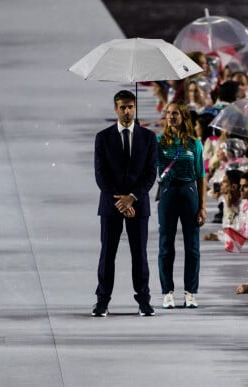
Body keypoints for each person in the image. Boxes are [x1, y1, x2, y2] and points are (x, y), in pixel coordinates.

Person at [92, 90, 157, 317]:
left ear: (135, 107)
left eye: (130, 107)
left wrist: (132, 197)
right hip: (111, 206)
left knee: (139, 254)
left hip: (138, 206)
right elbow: (101, 175)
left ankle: (144, 301)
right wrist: (120, 200)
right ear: (115, 109)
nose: (127, 111)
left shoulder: (148, 138)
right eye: (122, 107)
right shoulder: (103, 137)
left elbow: (150, 174)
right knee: (107, 254)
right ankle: (102, 301)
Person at [158, 101, 206, 309]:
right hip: (168, 192)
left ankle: (190, 292)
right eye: (168, 113)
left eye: (175, 113)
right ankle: (167, 291)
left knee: (192, 247)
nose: (171, 116)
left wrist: (202, 206)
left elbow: (201, 176)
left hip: (189, 193)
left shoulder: (194, 144)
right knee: (166, 245)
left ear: (183, 116)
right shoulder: (159, 142)